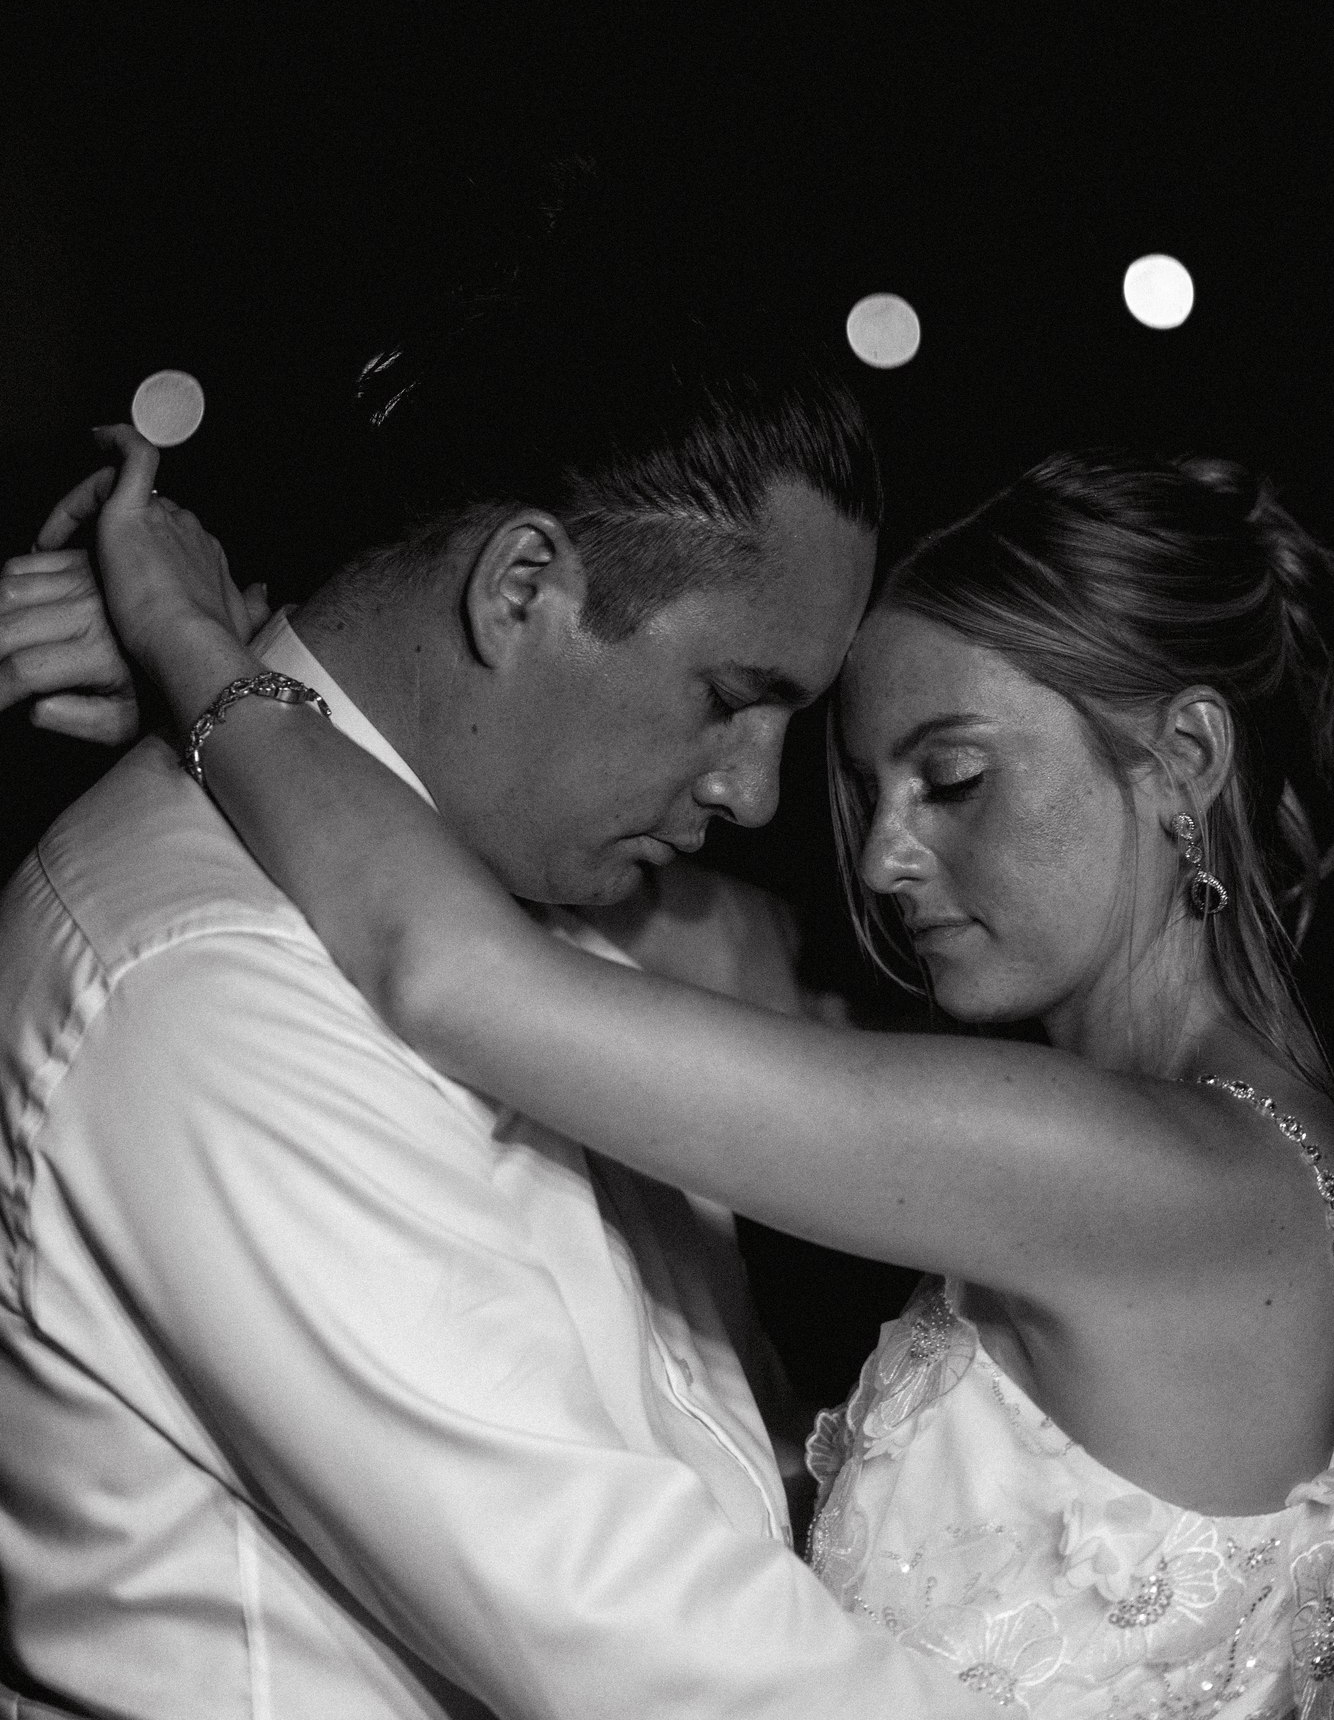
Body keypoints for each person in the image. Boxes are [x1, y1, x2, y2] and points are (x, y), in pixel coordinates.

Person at [42, 427, 1334, 1719]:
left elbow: (452, 972)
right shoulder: (1246, 1151)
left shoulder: (1143, 1168)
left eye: (952, 779)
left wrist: (189, 646)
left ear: (1185, 759)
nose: (880, 857)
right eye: (868, 788)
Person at [0, 252, 981, 1713]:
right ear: (521, 587)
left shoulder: (541, 918)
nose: (757, 793)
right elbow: (641, 1647)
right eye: (731, 700)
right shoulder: (209, 987)